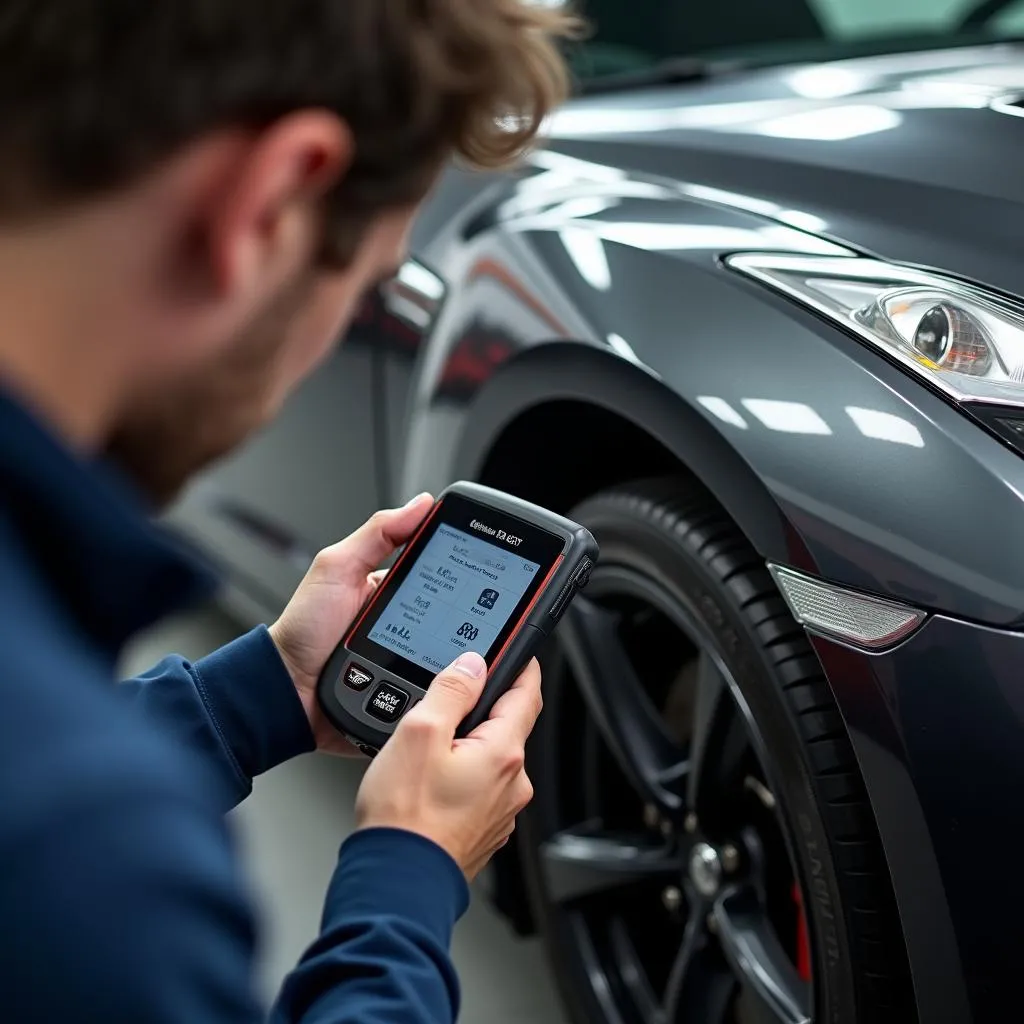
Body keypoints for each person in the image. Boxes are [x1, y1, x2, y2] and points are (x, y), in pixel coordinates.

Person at [0, 2, 580, 1022]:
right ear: (270, 203)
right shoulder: (92, 856)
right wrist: (405, 880)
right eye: (360, 284)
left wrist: (261, 692)